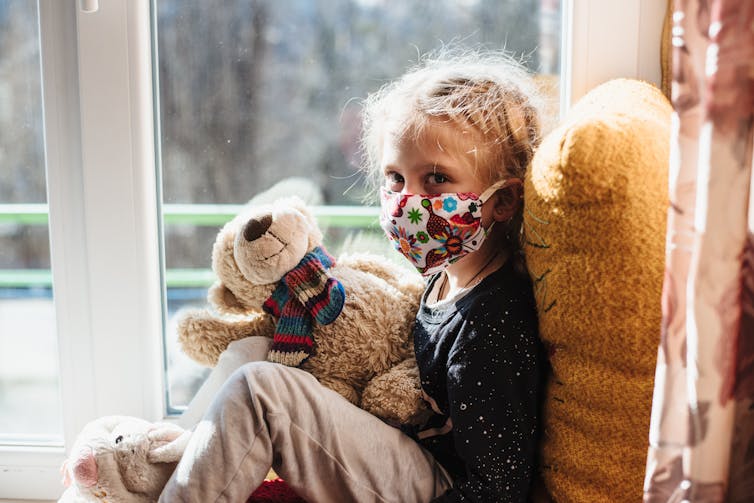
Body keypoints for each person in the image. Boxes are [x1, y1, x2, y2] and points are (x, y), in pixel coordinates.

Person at [160, 50, 548, 503]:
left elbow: (498, 488)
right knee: (254, 353)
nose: (408, 201)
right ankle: (161, 460)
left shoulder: (493, 321)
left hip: (435, 484)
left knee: (261, 388)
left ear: (502, 201)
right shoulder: (445, 279)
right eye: (395, 178)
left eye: (436, 179)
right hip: (401, 445)